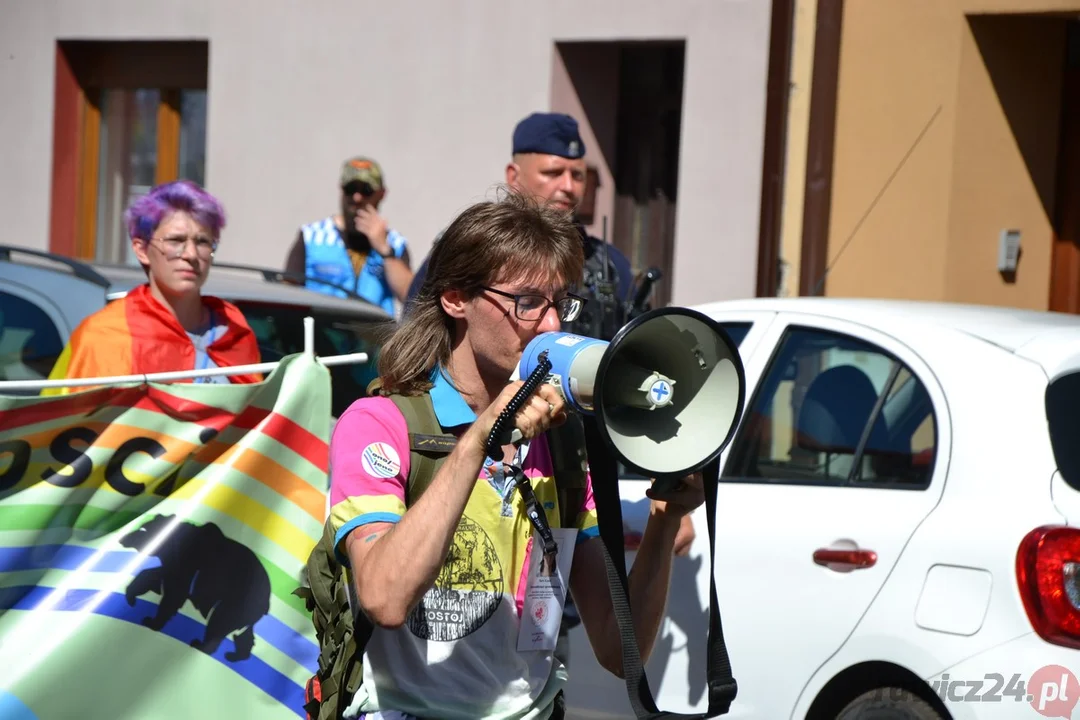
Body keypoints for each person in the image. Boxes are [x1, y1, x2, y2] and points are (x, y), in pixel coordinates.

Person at [323, 192, 703, 720]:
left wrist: (665, 519)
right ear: (456, 299)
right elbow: (384, 599)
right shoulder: (379, 424)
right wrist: (481, 439)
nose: (551, 326)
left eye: (559, 303)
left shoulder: (563, 444)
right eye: (527, 302)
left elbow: (620, 652)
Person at [43, 180, 262, 395]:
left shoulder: (234, 328)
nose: (191, 255)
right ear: (141, 250)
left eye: (203, 242)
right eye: (176, 241)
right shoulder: (103, 335)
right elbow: (69, 425)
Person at [285, 156, 413, 316]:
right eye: (350, 189)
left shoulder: (395, 243)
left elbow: (411, 297)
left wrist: (384, 250)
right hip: (321, 337)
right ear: (341, 189)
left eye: (366, 190)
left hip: (375, 339)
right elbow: (287, 296)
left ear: (381, 194)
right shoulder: (312, 236)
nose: (357, 198)